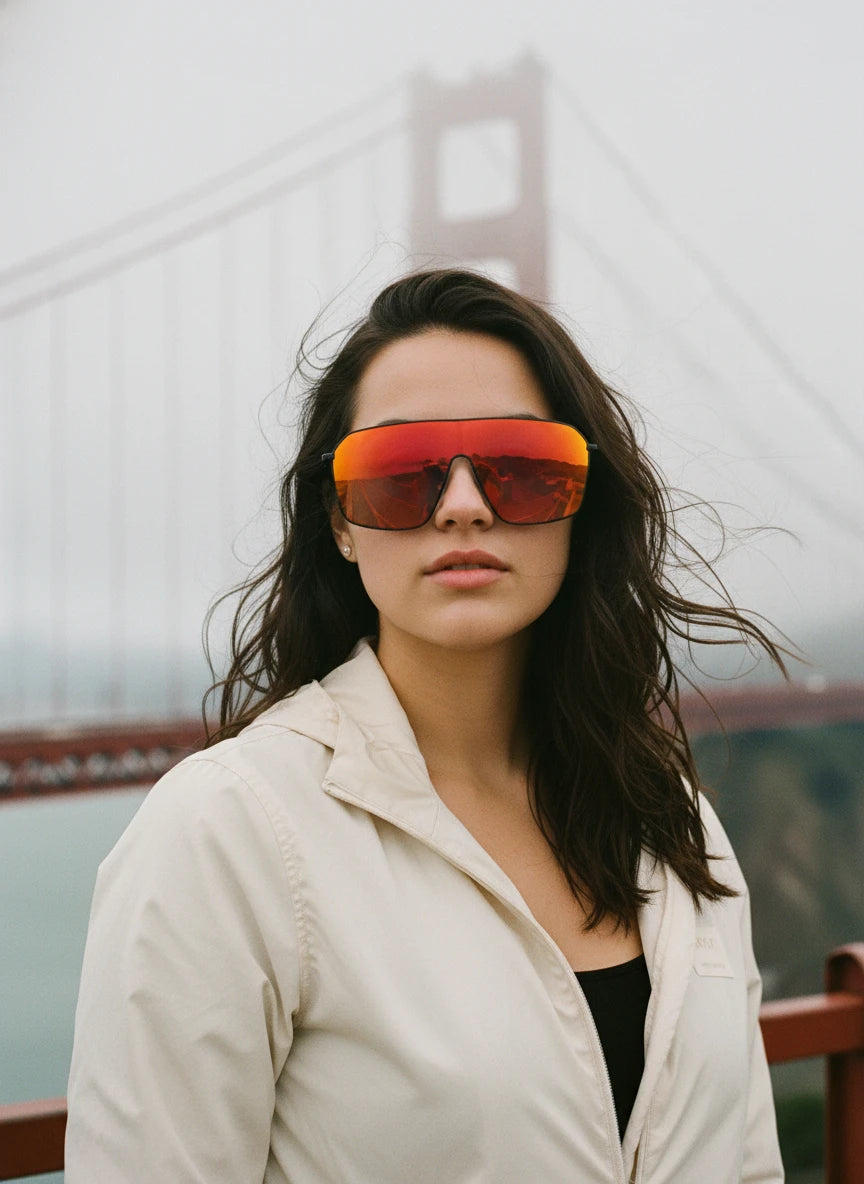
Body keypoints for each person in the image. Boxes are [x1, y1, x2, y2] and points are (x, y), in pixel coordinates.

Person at [66, 269, 786, 1182]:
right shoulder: (228, 831)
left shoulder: (674, 824)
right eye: (398, 476)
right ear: (338, 523)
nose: (461, 504)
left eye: (521, 467)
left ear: (582, 501)